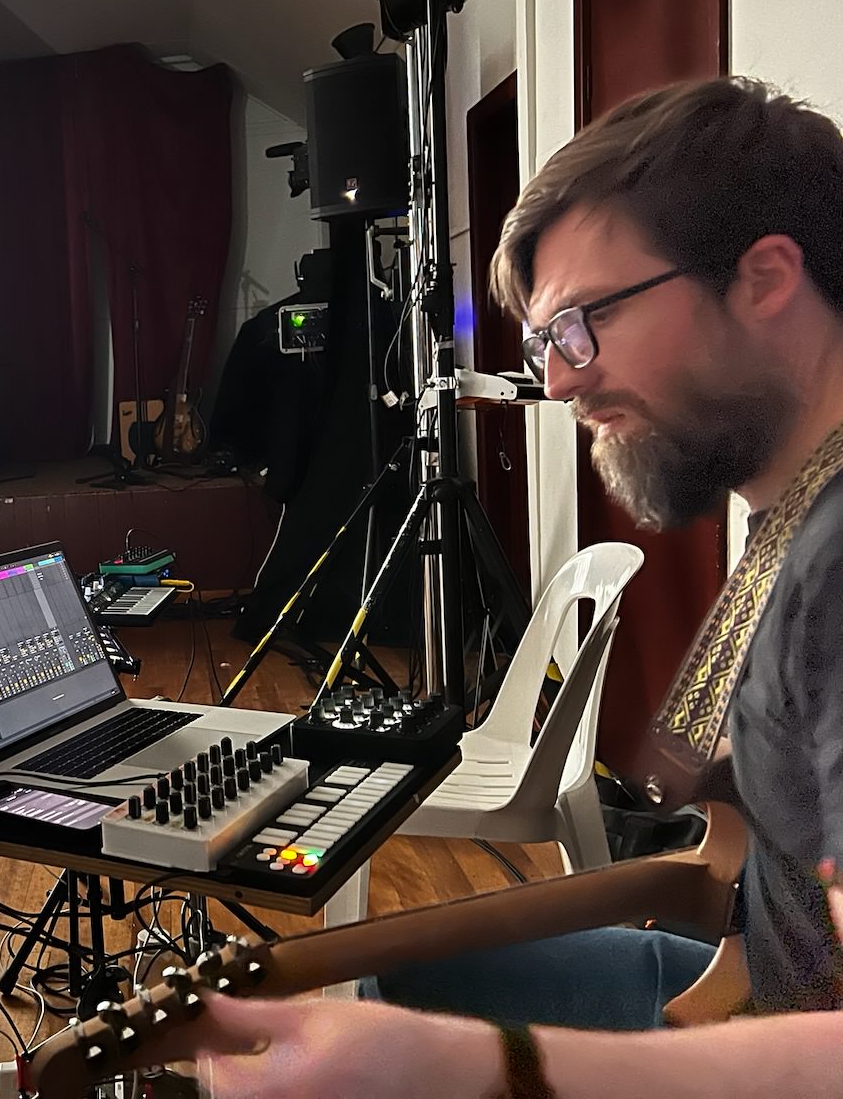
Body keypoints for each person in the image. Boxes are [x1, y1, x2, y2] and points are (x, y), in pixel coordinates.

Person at [126, 77, 843, 1093]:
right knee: (395, 981)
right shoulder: (796, 506)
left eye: (584, 323)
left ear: (765, 279)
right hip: (751, 982)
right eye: (546, 342)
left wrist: (485, 1067)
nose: (557, 380)